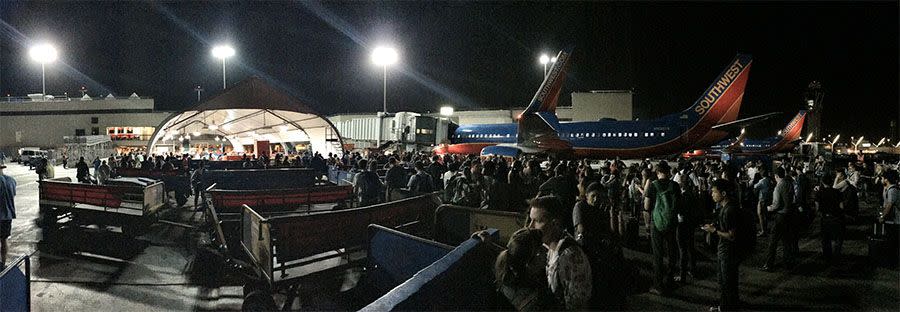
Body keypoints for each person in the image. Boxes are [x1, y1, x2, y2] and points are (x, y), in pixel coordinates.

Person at [527, 196, 592, 310]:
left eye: (537, 221)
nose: (530, 226)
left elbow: (577, 305)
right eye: (530, 220)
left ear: (555, 223)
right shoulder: (548, 247)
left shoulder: (570, 255)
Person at [494, 228, 558, 311]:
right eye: (543, 248)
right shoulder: (535, 301)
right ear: (536, 255)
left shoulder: (508, 277)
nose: (547, 251)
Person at [702, 179, 742, 312]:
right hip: (729, 251)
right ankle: (733, 304)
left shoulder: (729, 210)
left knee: (725, 282)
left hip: (727, 251)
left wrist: (714, 231)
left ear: (723, 193)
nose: (712, 195)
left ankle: (724, 308)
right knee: (730, 281)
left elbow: (731, 235)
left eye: (714, 192)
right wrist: (716, 226)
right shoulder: (728, 207)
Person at [644, 165, 680, 295]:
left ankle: (658, 285)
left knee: (658, 255)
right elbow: (678, 205)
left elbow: (647, 206)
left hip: (657, 223)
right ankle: (670, 279)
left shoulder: (653, 185)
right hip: (672, 223)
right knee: (672, 251)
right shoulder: (675, 185)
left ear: (658, 172)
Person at [761, 167, 796, 271]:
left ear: (776, 176)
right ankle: (787, 264)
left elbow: (776, 204)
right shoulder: (789, 184)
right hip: (789, 215)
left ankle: (769, 264)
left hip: (780, 216)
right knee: (787, 241)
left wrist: (768, 208)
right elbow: (794, 198)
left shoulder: (778, 187)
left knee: (773, 242)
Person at [815, 172, 843, 260]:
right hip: (836, 217)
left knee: (826, 238)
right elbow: (841, 206)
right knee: (837, 238)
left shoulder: (819, 193)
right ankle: (837, 256)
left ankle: (827, 256)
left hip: (825, 217)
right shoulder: (837, 192)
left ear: (822, 182)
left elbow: (817, 207)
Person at [0, 165, 16, 269]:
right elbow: (13, 194)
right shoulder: (12, 180)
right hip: (8, 215)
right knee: (4, 240)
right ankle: (3, 263)